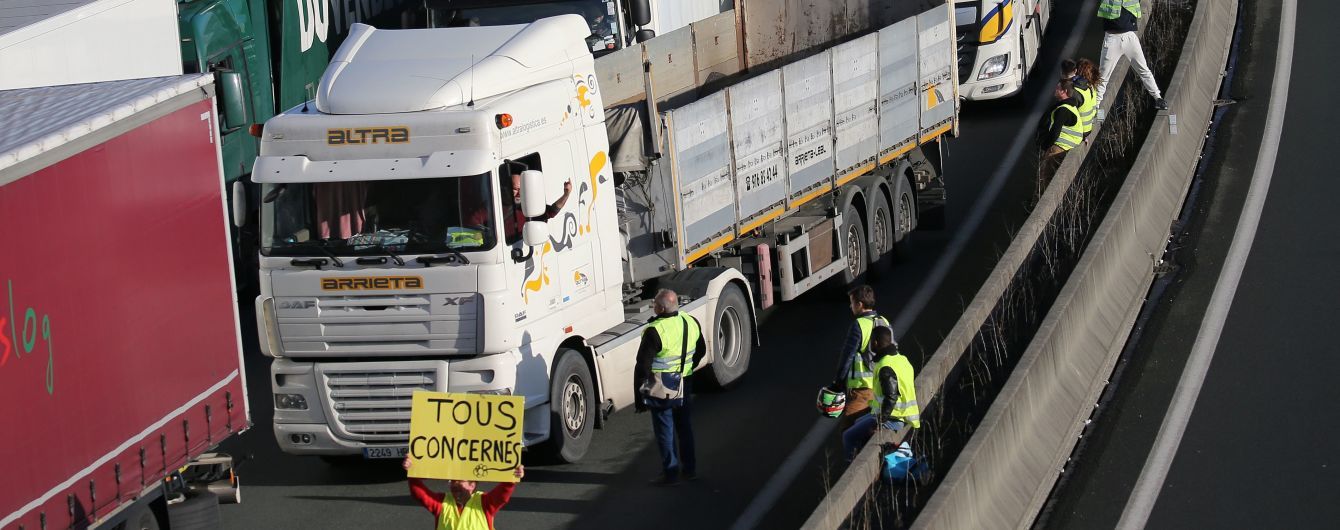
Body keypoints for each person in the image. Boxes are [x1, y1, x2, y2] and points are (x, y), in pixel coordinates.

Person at [634, 289, 706, 486]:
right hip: (685, 379)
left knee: (665, 429)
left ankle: (670, 473)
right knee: (684, 426)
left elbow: (642, 366)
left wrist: (640, 397)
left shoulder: (655, 330)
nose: (653, 306)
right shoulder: (690, 321)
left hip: (662, 384)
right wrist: (687, 369)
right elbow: (701, 350)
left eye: (655, 304)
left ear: (662, 308)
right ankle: (689, 470)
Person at [841, 326, 921, 461]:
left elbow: (891, 397)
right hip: (900, 415)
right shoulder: (901, 359)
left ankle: (852, 466)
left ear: (876, 343)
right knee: (857, 423)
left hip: (893, 418)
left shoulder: (885, 366)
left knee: (848, 436)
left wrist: (880, 422)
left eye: (871, 342)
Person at [827, 285, 892, 434]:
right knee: (869, 429)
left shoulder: (858, 325)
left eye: (852, 303)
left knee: (848, 431)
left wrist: (837, 384)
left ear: (860, 304)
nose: (850, 306)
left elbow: (847, 357)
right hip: (882, 387)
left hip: (862, 391)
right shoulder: (884, 321)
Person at [403, 457, 524, 530]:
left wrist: (512, 476)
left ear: (472, 485)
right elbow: (419, 494)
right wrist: (412, 472)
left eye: (460, 481)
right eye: (452, 481)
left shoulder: (485, 502)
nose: (455, 484)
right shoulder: (442, 502)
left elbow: (503, 493)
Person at [1095, 0, 1166, 110]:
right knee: (1103, 76)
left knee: (1143, 69)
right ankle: (1096, 106)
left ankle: (1158, 98)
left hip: (1129, 37)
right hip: (1112, 38)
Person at [467, 173, 572, 243]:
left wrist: (566, 195)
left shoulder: (528, 205)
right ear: (506, 189)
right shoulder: (494, 205)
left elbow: (552, 212)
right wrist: (488, 236)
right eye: (515, 189)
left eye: (521, 189)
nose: (519, 193)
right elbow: (472, 222)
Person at [1038, 79, 1083, 186]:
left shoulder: (1063, 110)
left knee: (1045, 180)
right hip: (1068, 148)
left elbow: (1055, 132)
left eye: (1058, 88)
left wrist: (1045, 146)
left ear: (1064, 91)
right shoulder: (1072, 106)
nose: (1055, 89)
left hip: (1058, 149)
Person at [1062, 58, 1098, 137]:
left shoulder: (1076, 90)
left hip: (1081, 130)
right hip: (1091, 124)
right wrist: (1099, 123)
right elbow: (1096, 107)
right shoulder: (1091, 86)